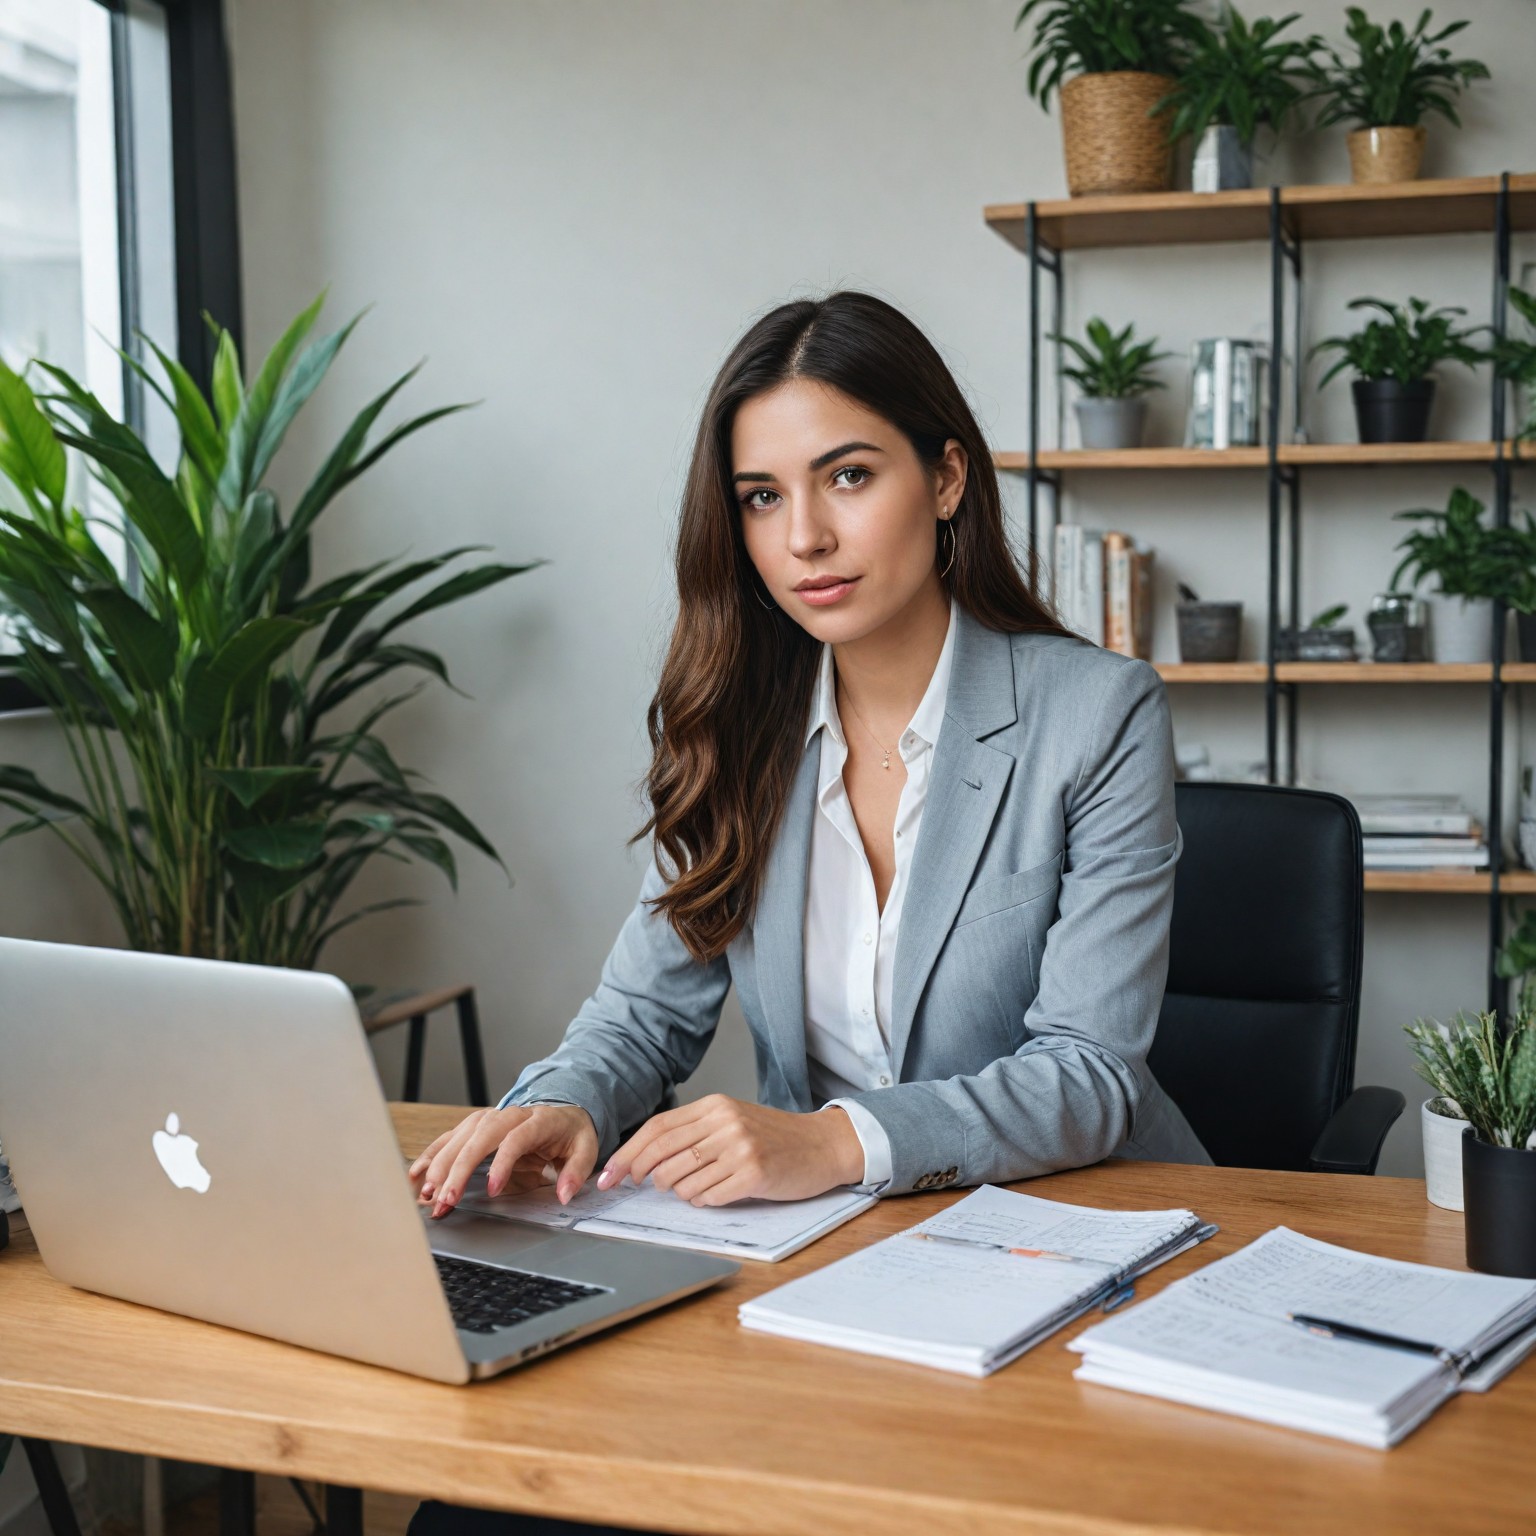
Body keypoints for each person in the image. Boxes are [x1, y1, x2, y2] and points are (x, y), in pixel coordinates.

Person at [406, 290, 1209, 1536]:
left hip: (1068, 1250)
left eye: (847, 476)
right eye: (763, 497)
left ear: (945, 479)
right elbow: (640, 1015)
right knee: (498, 1503)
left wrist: (833, 1141)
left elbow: (1093, 1071)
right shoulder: (738, 731)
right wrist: (561, 1101)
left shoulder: (1095, 715)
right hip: (831, 1265)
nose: (806, 539)